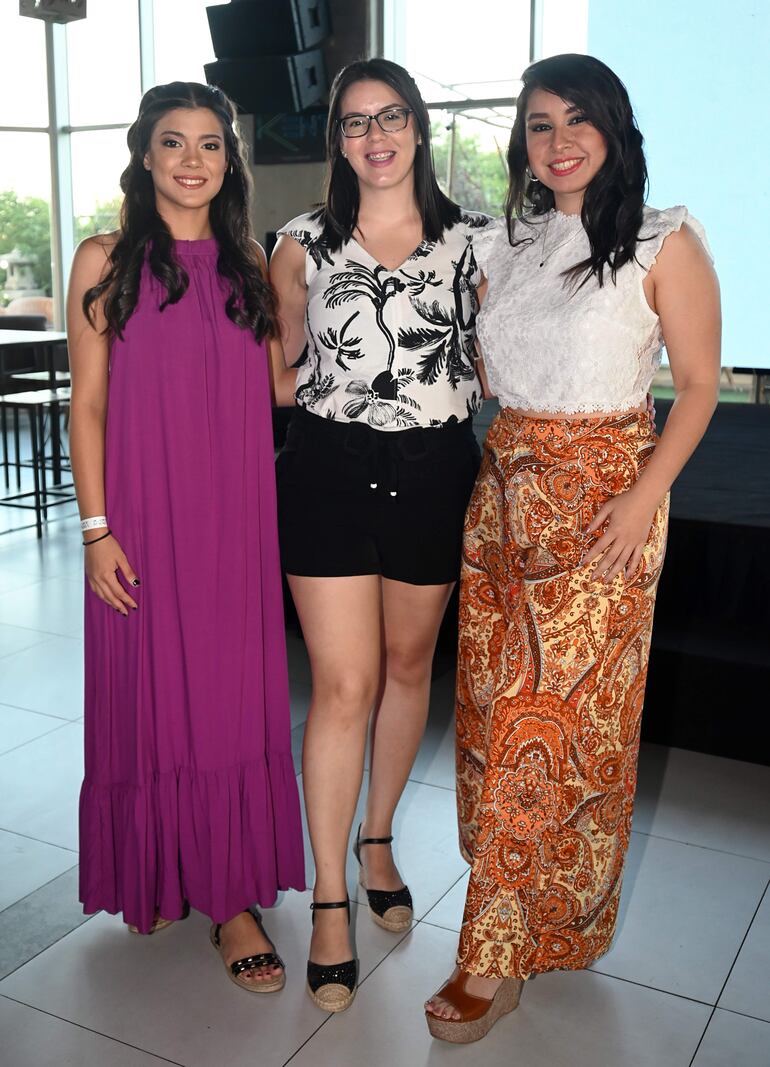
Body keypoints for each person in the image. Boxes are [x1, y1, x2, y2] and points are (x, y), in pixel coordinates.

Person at [424, 53, 721, 1042]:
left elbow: (699, 385)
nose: (558, 141)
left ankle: (490, 953)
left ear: (613, 128)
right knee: (491, 714)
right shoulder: (502, 242)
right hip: (503, 497)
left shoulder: (663, 239)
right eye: (539, 124)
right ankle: (550, 917)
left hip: (604, 509)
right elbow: (476, 364)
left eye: (577, 119)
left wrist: (642, 498)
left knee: (539, 722)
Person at [67, 81, 304, 995]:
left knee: (225, 699)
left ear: (229, 160)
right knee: (148, 695)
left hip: (233, 520)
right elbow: (89, 406)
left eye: (211, 143)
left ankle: (231, 898)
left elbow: (281, 383)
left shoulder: (250, 260)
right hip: (138, 516)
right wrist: (96, 529)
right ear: (145, 154)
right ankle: (159, 864)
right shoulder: (104, 258)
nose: (194, 160)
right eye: (174, 142)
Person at [269, 57, 490, 1012]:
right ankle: (330, 897)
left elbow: (497, 359)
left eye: (391, 116)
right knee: (343, 683)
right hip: (326, 469)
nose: (376, 135)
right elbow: (277, 374)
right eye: (356, 122)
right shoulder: (299, 243)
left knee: (407, 667)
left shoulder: (476, 240)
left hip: (435, 471)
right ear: (339, 141)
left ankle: (378, 839)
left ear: (419, 126)